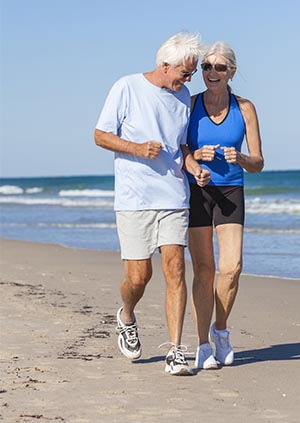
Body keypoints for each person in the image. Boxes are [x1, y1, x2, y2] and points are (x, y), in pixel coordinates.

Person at [94, 31, 210, 376]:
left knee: (175, 268)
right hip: (134, 199)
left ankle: (176, 350)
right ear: (165, 65)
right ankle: (127, 314)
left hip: (174, 196)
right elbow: (100, 135)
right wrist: (137, 148)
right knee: (138, 277)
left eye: (190, 74)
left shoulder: (183, 96)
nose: (189, 80)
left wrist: (192, 167)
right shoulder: (127, 87)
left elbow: (182, 147)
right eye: (185, 73)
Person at [186, 41, 264, 370]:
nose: (211, 73)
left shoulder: (244, 107)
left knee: (231, 269)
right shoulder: (189, 106)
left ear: (231, 71)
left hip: (231, 190)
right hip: (197, 192)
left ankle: (221, 331)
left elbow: (258, 161)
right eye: (206, 67)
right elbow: (177, 152)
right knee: (204, 271)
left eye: (219, 67)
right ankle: (203, 345)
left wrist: (242, 157)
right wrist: (194, 159)